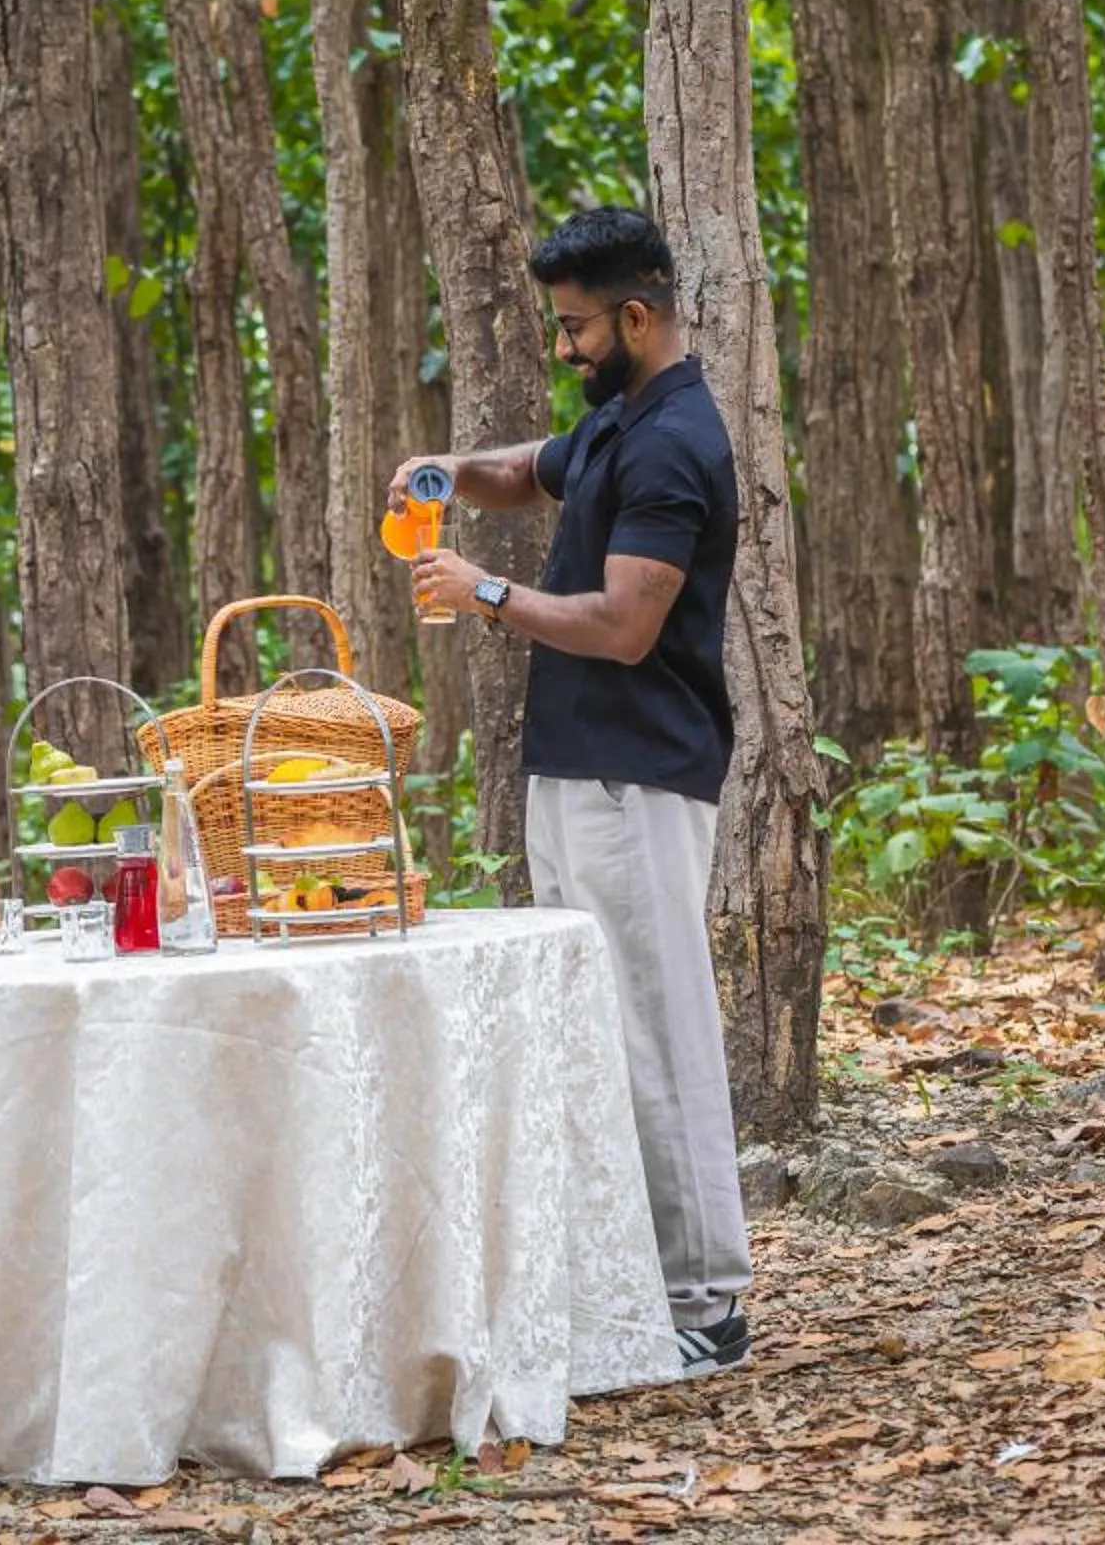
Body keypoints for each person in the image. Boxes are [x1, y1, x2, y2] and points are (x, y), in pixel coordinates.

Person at [389, 205, 754, 1375]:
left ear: (637, 316)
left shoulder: (674, 443)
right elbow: (517, 472)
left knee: (658, 1031)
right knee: (598, 1030)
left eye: (577, 326)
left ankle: (709, 1302)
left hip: (635, 777)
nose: (564, 346)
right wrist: (442, 470)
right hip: (576, 773)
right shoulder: (615, 424)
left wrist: (483, 595)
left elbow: (627, 622)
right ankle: (634, 1282)